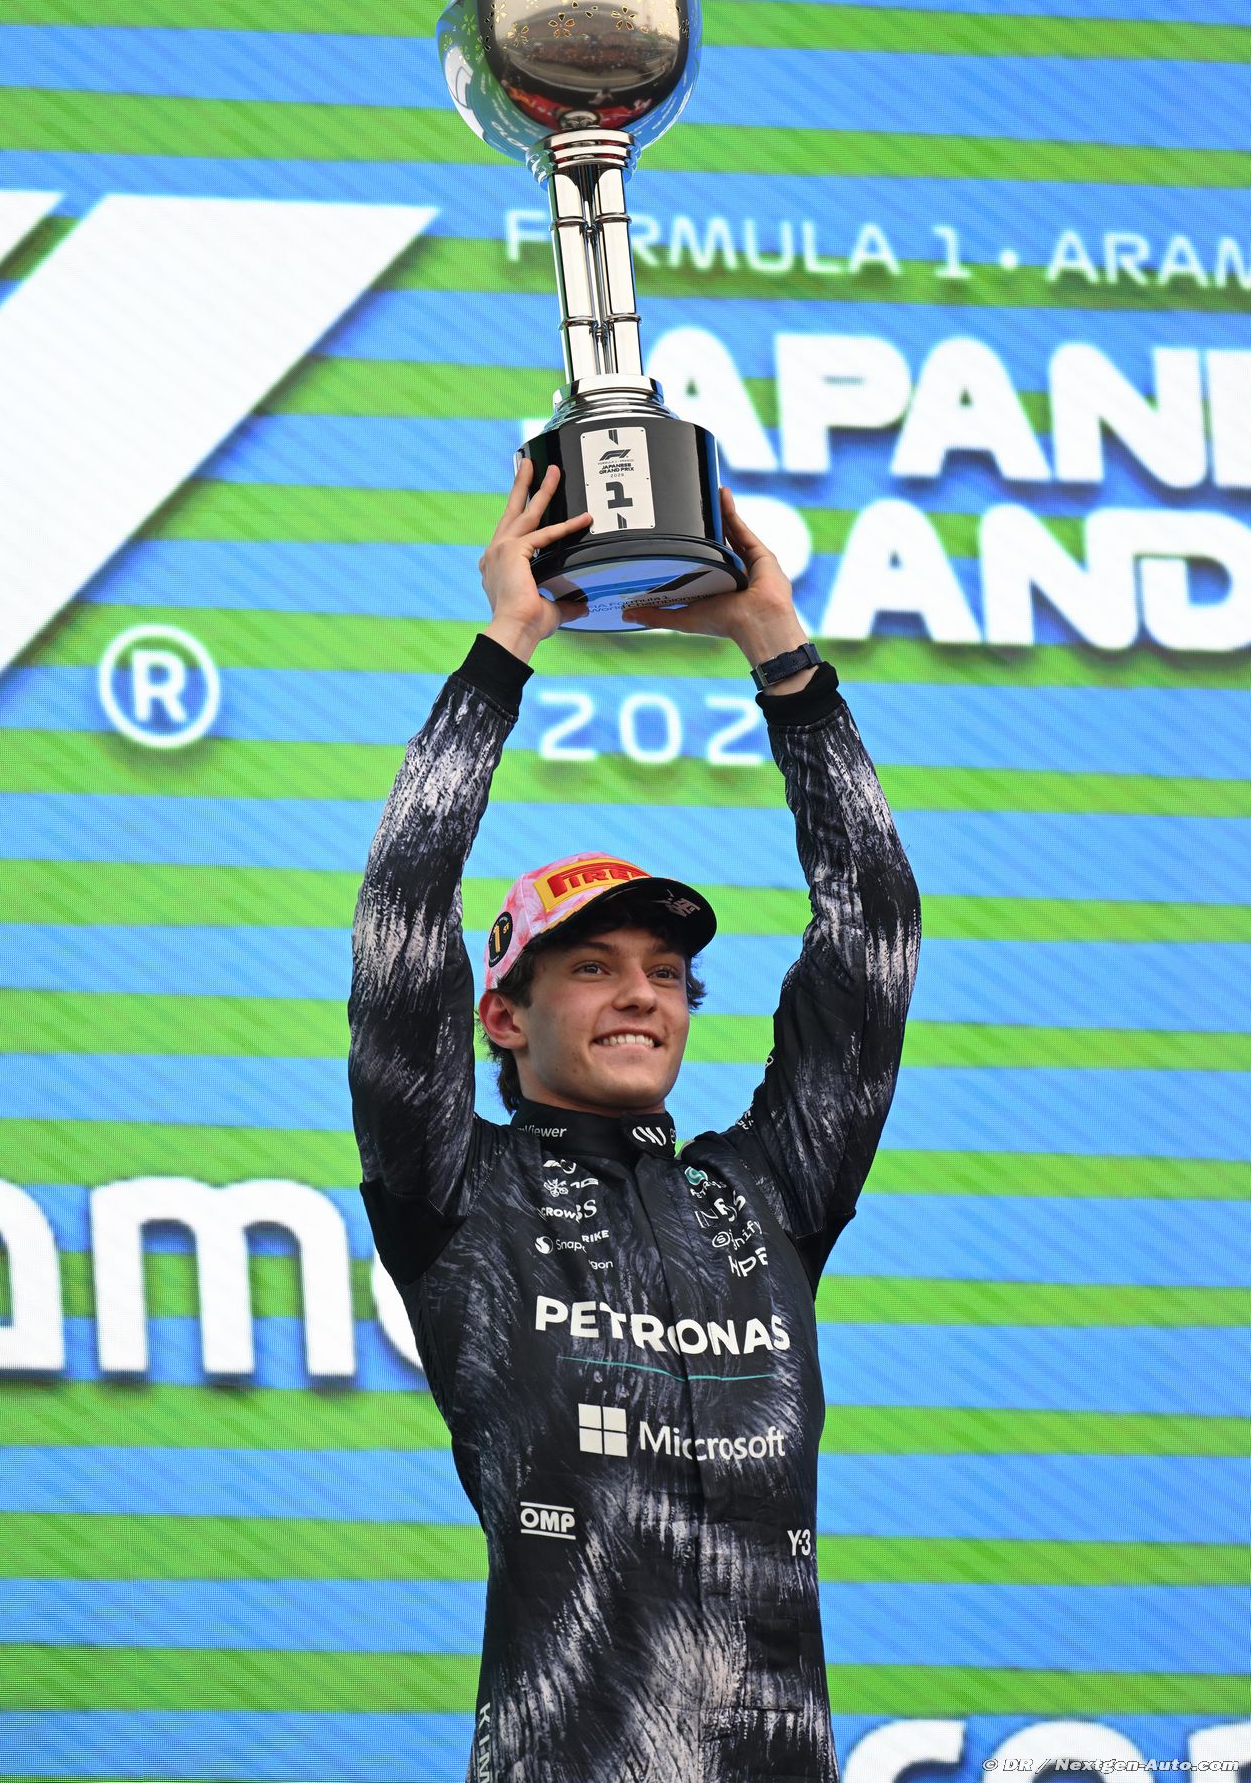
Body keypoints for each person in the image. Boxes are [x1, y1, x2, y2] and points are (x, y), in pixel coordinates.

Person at [348, 459, 921, 1783]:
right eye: (594, 966)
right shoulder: (456, 1192)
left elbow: (873, 932)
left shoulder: (766, 1192)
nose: (642, 994)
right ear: (503, 1017)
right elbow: (401, 923)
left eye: (666, 973)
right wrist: (504, 650)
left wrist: (781, 653)